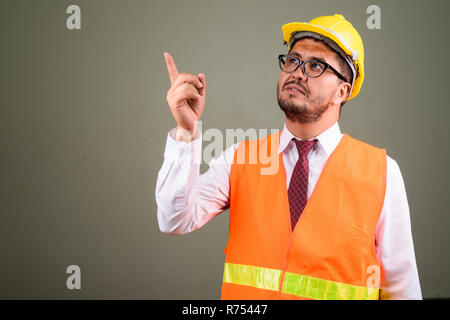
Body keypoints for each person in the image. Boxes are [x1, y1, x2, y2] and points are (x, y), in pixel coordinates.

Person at [156, 14, 422, 300]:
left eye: (316, 65)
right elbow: (174, 219)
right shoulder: (241, 159)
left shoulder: (381, 172)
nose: (297, 72)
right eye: (293, 60)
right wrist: (186, 132)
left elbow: (401, 287)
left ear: (342, 91)